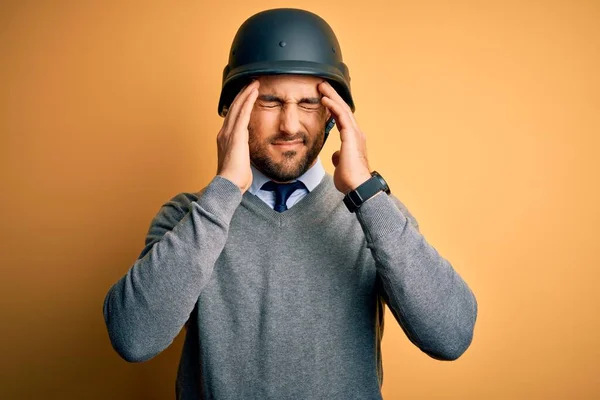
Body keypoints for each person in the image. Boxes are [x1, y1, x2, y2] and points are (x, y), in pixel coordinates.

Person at [103, 8, 478, 400]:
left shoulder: (376, 217)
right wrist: (225, 189)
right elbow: (133, 338)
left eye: (308, 104)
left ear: (334, 116)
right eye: (269, 101)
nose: (289, 125)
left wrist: (367, 193)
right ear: (235, 111)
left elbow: (450, 335)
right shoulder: (188, 217)